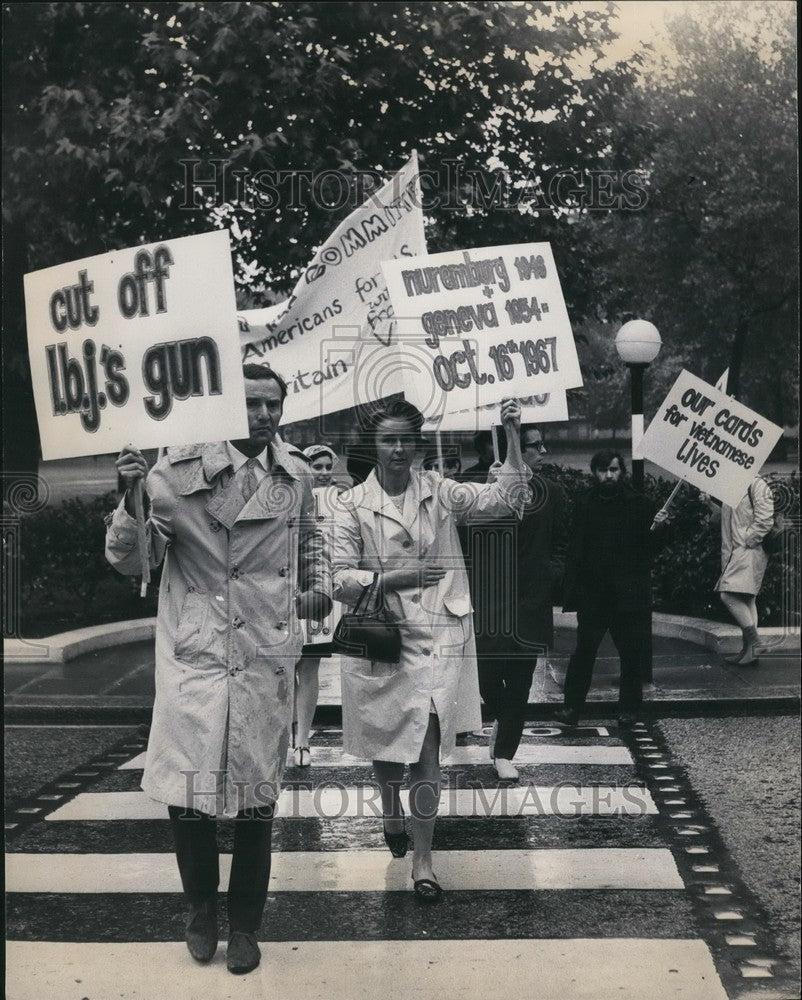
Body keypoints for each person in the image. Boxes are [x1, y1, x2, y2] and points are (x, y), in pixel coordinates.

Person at [105, 365, 331, 975]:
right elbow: (133, 562)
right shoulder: (173, 473)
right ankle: (202, 907)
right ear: (231, 406)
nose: (263, 416)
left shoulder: (297, 476)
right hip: (196, 653)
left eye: (272, 405)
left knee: (258, 797)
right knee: (191, 795)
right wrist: (128, 498)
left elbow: (311, 547)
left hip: (263, 650)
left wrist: (317, 586)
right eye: (252, 404)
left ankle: (246, 924)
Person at [332, 397, 529, 903]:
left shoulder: (440, 492)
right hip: (380, 635)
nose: (398, 449)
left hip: (440, 635)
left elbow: (506, 501)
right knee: (383, 737)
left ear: (418, 444)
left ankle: (423, 859)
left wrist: (510, 435)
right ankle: (390, 807)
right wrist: (397, 577)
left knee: (425, 743)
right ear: (373, 445)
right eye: (387, 440)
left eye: (406, 439)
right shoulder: (352, 505)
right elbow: (336, 578)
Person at [477, 425, 567, 780]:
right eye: (534, 446)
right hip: (491, 602)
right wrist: (488, 491)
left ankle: (504, 754)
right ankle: (501, 716)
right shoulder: (484, 488)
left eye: (542, 444)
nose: (541, 452)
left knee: (519, 681)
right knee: (486, 679)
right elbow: (467, 540)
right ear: (519, 450)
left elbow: (560, 541)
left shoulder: (552, 492)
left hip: (531, 601)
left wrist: (551, 575)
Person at [554, 450, 668, 728]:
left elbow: (651, 549)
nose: (608, 476)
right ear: (594, 472)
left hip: (627, 596)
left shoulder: (639, 505)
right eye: (603, 470)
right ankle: (571, 708)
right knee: (583, 653)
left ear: (622, 472)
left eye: (614, 470)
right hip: (594, 595)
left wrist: (661, 527)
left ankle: (629, 709)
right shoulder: (585, 504)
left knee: (630, 654)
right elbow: (576, 550)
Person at [292, 444, 348, 766]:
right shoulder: (289, 496)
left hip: (320, 590)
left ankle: (303, 742)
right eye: (317, 465)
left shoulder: (341, 502)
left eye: (328, 466)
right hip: (289, 591)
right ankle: (285, 732)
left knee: (309, 666)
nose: (323, 471)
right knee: (286, 667)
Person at [703, 476, 774, 666]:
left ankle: (755, 642)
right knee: (747, 598)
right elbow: (724, 521)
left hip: (750, 550)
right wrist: (710, 504)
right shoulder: (732, 487)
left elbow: (766, 519)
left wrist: (748, 539)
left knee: (727, 595)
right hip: (736, 552)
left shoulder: (758, 485)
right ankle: (748, 651)